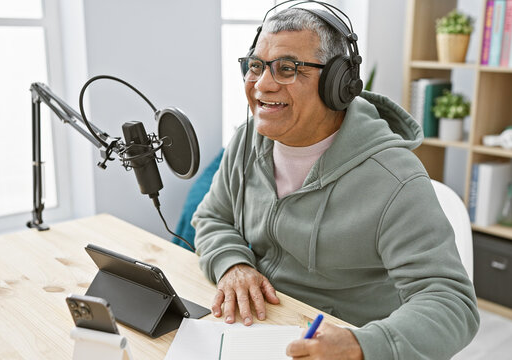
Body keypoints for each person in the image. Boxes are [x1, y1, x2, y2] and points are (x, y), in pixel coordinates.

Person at [192, 5, 479, 360]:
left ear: (337, 83)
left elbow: (452, 304)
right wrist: (233, 264)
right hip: (253, 330)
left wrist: (362, 346)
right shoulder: (247, 140)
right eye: (255, 66)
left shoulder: (395, 179)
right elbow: (211, 218)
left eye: (286, 68)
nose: (262, 85)